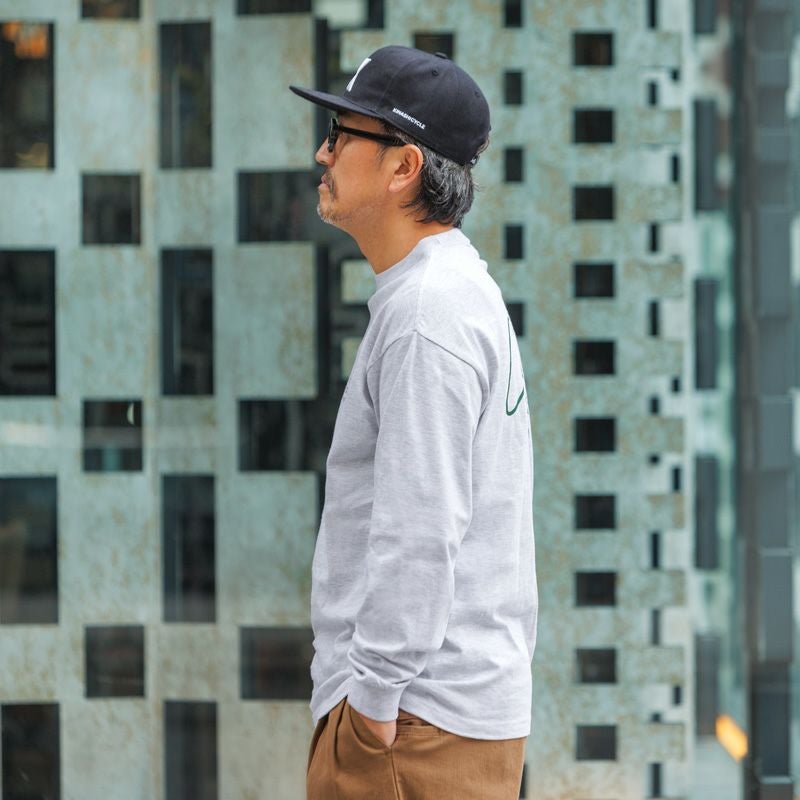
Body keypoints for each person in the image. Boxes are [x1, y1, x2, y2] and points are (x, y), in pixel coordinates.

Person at [289, 45, 538, 800]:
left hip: (411, 726)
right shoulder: (448, 293)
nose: (324, 152)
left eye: (342, 134)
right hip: (435, 718)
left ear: (403, 167)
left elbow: (420, 529)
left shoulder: (429, 314)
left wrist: (369, 703)